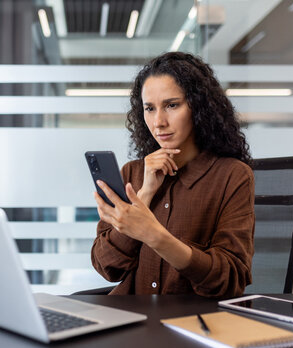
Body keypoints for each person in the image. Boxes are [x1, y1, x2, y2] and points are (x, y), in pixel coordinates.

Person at [91, 52, 255, 298]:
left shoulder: (232, 176)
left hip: (194, 324)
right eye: (149, 108)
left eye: (172, 105)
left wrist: (155, 236)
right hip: (132, 319)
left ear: (198, 107)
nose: (158, 122)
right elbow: (106, 267)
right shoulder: (132, 173)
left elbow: (230, 279)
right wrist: (144, 195)